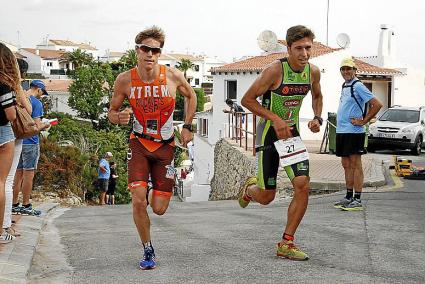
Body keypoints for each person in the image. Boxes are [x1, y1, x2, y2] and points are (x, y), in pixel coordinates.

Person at [108, 26, 196, 270]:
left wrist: (187, 125)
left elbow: (191, 96)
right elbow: (112, 112)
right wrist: (118, 117)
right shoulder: (124, 80)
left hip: (165, 147)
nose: (150, 54)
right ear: (137, 50)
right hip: (139, 143)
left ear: (160, 53)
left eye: (155, 50)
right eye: (145, 49)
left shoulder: (173, 76)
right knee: (137, 201)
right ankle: (148, 249)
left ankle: (149, 191)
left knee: (159, 208)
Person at [239, 25, 323, 261]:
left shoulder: (313, 72)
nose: (304, 54)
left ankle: (286, 242)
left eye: (308, 48)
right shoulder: (274, 71)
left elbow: (317, 96)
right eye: (298, 48)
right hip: (269, 133)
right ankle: (249, 190)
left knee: (303, 184)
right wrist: (275, 118)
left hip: (292, 135)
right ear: (288, 48)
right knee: (267, 197)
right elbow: (247, 99)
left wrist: (317, 117)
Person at [333, 58, 382, 211]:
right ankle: (348, 197)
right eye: (343, 69)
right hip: (342, 131)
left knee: (355, 165)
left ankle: (357, 199)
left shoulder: (358, 85)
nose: (346, 72)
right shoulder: (345, 85)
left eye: (349, 69)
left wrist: (364, 121)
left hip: (354, 132)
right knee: (346, 165)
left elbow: (377, 104)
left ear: (355, 70)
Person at [3, 57, 32, 237]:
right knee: (6, 180)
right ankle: (5, 225)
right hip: (9, 135)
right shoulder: (12, 84)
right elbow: (27, 110)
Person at [12, 79, 49, 216]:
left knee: (17, 174)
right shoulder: (36, 103)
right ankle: (26, 204)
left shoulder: (18, 98)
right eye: (42, 92)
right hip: (31, 142)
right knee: (29, 175)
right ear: (38, 89)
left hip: (17, 141)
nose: (41, 95)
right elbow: (36, 126)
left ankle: (14, 204)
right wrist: (45, 125)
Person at [0, 43, 19, 243]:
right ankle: (0, 231)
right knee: (1, 182)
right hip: (2, 133)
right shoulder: (4, 85)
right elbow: (11, 115)